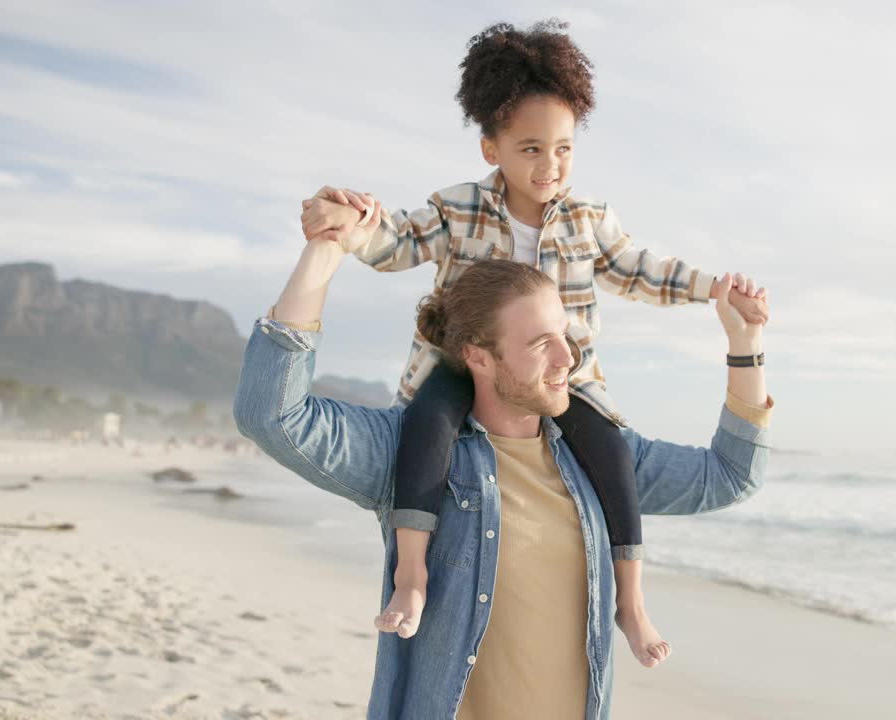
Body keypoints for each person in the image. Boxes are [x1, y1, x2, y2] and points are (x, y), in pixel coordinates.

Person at [297, 18, 767, 666]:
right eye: (531, 149)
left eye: (564, 148)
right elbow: (396, 243)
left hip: (560, 380)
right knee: (426, 431)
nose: (551, 166)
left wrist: (717, 289)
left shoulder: (588, 218)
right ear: (491, 148)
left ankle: (630, 600)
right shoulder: (458, 207)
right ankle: (410, 573)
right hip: (463, 362)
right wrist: (350, 224)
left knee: (610, 456)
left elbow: (640, 270)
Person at [234, 233, 772, 719]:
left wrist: (745, 346)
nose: (568, 356)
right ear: (479, 358)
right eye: (541, 344)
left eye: (564, 334)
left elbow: (729, 476)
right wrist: (324, 251)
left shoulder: (601, 459)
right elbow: (273, 415)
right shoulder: (411, 451)